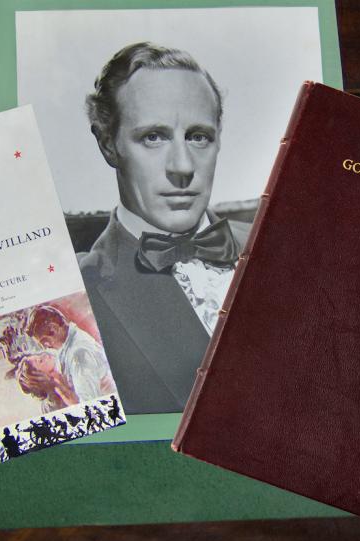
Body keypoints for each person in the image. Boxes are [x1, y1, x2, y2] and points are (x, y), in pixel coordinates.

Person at [79, 42, 250, 413]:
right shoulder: (79, 292)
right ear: (108, 144)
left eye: (198, 136)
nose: (182, 166)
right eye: (153, 137)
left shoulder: (279, 243)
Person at [25, 305, 116, 405]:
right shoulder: (66, 347)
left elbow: (89, 405)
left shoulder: (78, 356)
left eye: (44, 342)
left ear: (54, 329)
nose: (46, 347)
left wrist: (72, 402)